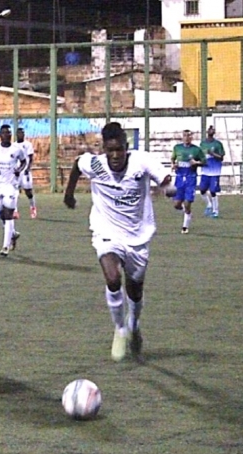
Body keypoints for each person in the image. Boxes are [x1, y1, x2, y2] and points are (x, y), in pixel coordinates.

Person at [64, 122, 172, 361]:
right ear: (103, 148)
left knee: (135, 289)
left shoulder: (141, 161)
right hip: (106, 232)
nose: (115, 155)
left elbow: (163, 178)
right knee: (113, 278)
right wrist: (68, 194)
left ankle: (133, 324)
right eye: (110, 150)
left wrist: (170, 190)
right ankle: (120, 329)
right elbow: (76, 166)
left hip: (137, 237)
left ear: (126, 147)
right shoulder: (94, 164)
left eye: (119, 149)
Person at [0, 125, 26, 256]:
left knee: (8, 214)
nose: (7, 135)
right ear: (0, 135)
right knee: (1, 214)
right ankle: (13, 234)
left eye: (8, 133)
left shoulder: (17, 149)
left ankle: (5, 247)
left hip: (11, 186)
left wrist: (19, 170)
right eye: (4, 133)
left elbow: (24, 162)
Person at [171, 129, 205, 234]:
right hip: (179, 178)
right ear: (182, 137)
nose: (187, 138)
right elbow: (173, 159)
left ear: (191, 137)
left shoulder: (197, 150)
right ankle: (187, 213)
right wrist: (174, 165)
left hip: (191, 178)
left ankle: (185, 226)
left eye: (189, 136)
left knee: (187, 203)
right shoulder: (177, 148)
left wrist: (196, 163)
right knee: (177, 204)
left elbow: (204, 162)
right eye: (185, 135)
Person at [198, 126, 225, 218]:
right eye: (210, 129)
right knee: (202, 190)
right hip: (205, 171)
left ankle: (215, 211)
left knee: (213, 191)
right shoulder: (202, 144)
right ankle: (209, 205)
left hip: (215, 172)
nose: (211, 130)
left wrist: (212, 154)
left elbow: (221, 157)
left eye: (213, 129)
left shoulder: (218, 144)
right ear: (207, 131)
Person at [16, 127, 37, 219]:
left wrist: (28, 168)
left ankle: (32, 207)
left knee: (28, 191)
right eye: (20, 133)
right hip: (17, 171)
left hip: (25, 172)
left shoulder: (27, 144)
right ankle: (15, 211)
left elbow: (30, 157)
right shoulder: (14, 145)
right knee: (15, 191)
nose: (21, 135)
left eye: (23, 133)